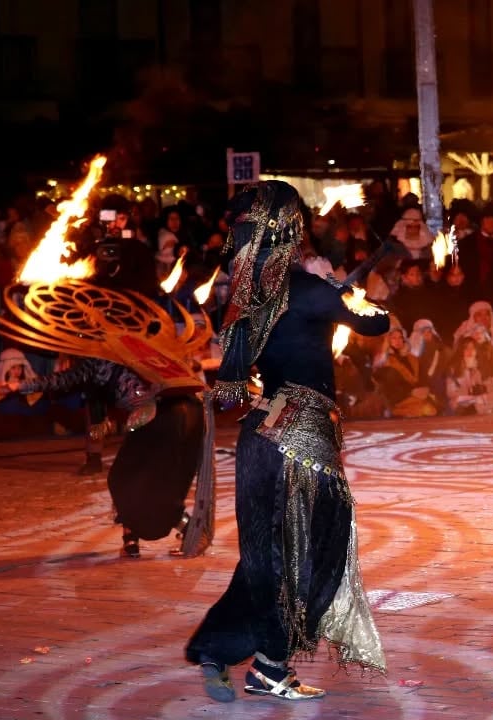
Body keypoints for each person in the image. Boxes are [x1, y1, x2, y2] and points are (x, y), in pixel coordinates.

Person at [185, 181, 389, 702]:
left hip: (258, 434)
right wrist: (347, 292)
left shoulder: (247, 295)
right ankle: (270, 666)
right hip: (300, 437)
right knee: (313, 547)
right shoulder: (309, 290)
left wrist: (330, 290)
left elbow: (233, 380)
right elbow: (376, 323)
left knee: (266, 554)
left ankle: (220, 643)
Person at [11, 356, 204, 557]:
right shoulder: (129, 346)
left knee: (124, 479)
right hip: (188, 411)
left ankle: (152, 535)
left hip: (159, 415)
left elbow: (64, 380)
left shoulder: (99, 358)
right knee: (150, 480)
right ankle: (161, 534)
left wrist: (20, 386)